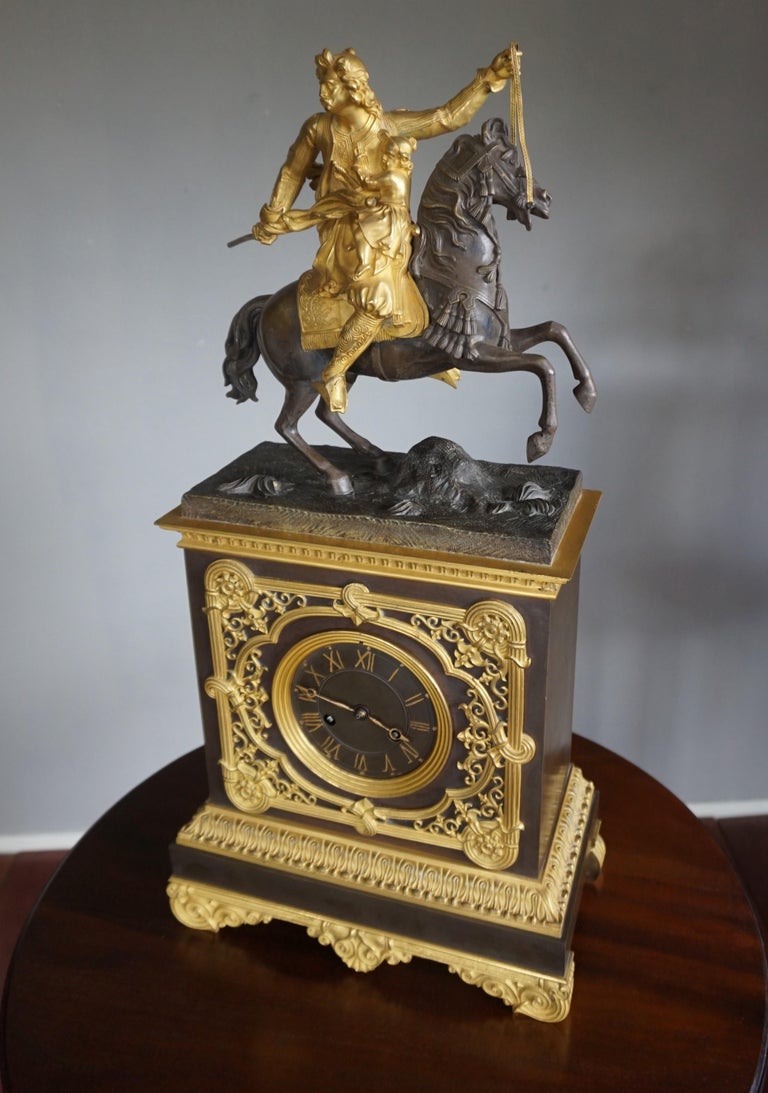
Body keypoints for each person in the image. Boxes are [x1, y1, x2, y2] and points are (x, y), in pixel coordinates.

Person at [253, 46, 517, 413]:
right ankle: (336, 371)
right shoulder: (318, 128)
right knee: (377, 298)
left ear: (354, 87)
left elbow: (446, 117)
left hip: (393, 232)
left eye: (331, 84)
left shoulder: (387, 126)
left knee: (436, 281)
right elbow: (293, 170)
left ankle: (437, 353)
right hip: (348, 234)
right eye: (323, 84)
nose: (323, 91)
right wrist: (275, 213)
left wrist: (489, 78)